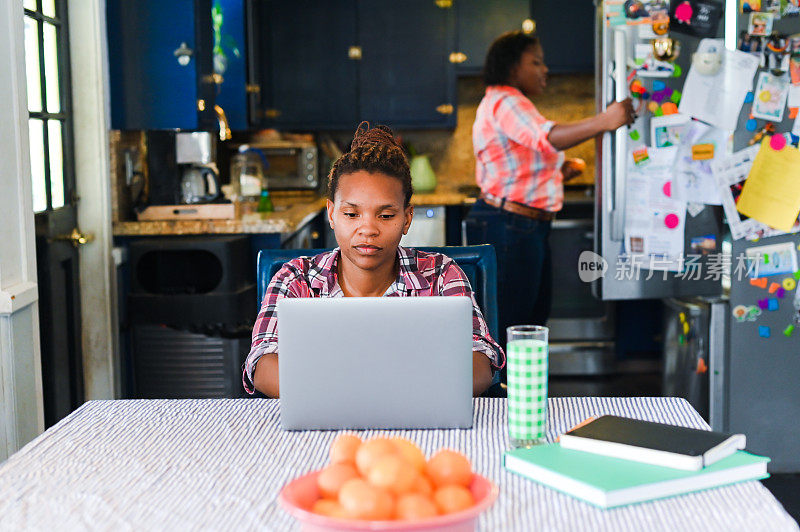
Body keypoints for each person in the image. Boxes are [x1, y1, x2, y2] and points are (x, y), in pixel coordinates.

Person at [243, 122, 504, 398]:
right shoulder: (294, 279)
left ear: (407, 218)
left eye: (386, 215)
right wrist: (351, 397)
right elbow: (262, 361)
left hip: (419, 424)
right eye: (352, 214)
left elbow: (480, 359)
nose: (368, 229)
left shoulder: (441, 275)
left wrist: (397, 396)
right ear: (331, 214)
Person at [464, 31, 634, 351]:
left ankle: (516, 395)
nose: (545, 70)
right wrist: (606, 120)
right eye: (536, 62)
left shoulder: (508, 102)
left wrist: (559, 171)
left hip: (519, 224)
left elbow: (521, 162)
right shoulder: (506, 100)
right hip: (510, 226)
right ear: (513, 67)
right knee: (512, 327)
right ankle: (499, 399)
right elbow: (548, 138)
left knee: (525, 323)